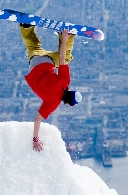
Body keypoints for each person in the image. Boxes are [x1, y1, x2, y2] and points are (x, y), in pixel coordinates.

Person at [19, 24, 82, 152]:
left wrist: (65, 39)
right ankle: (26, 28)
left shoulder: (65, 81)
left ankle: (66, 35)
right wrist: (35, 139)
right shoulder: (53, 103)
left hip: (48, 61)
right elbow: (37, 120)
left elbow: (62, 58)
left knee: (66, 58)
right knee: (32, 45)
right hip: (34, 62)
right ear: (69, 103)